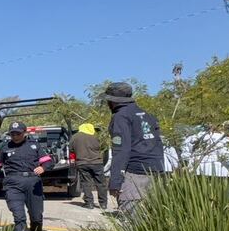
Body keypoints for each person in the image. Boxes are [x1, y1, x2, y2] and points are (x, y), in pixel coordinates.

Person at [0, 121, 54, 231]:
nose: (15, 136)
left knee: (36, 217)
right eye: (12, 134)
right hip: (13, 184)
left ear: (24, 133)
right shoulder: (5, 148)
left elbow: (48, 161)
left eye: (18, 133)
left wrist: (43, 167)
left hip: (33, 183)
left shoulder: (34, 146)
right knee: (19, 216)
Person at [104, 82, 165, 215]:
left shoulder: (121, 116)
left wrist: (115, 181)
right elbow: (158, 144)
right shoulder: (147, 115)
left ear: (112, 101)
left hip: (134, 173)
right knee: (152, 218)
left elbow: (121, 150)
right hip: (155, 172)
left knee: (132, 221)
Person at [70, 123, 108, 210]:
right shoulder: (96, 136)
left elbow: (71, 149)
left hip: (82, 163)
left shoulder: (75, 137)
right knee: (101, 183)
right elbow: (104, 148)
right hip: (97, 162)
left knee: (86, 183)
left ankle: (89, 203)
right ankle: (103, 204)